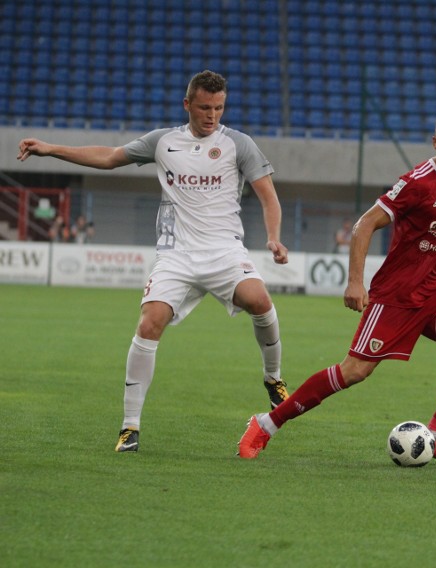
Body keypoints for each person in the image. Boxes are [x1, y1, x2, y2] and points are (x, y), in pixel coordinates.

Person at [238, 112, 436, 464]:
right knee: (354, 372)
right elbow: (365, 225)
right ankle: (265, 424)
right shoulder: (417, 183)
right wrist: (355, 281)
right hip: (397, 295)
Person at [17, 70, 291, 453]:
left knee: (260, 300)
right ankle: (130, 427)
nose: (212, 115)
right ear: (187, 105)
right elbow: (110, 158)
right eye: (204, 108)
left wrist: (274, 237)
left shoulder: (238, 145)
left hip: (224, 251)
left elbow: (268, 196)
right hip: (176, 255)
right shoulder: (163, 142)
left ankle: (273, 378)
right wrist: (52, 148)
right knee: (149, 323)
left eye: (219, 108)